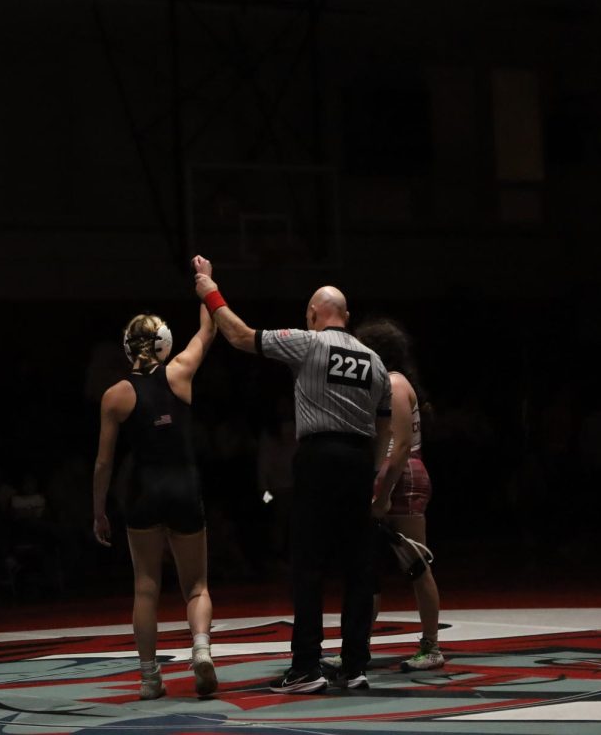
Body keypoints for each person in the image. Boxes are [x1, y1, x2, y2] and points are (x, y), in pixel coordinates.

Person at [191, 255, 391, 694]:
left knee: (308, 565)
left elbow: (240, 335)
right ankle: (355, 665)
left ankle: (306, 668)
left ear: (314, 315)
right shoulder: (376, 362)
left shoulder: (308, 342)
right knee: (359, 567)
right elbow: (385, 426)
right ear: (348, 317)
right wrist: (375, 474)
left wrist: (209, 289)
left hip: (319, 459)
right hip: (360, 462)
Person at [92, 299, 218, 701]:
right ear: (165, 344)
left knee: (145, 588)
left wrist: (98, 510)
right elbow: (209, 330)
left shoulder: (114, 396)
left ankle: (150, 679)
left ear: (126, 348)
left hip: (143, 495)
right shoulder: (180, 372)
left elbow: (103, 463)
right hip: (184, 489)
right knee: (196, 586)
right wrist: (205, 286)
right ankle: (200, 648)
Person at [354, 318, 445, 672]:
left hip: (402, 477)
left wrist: (383, 495)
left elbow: (402, 446)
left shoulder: (393, 383)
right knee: (366, 568)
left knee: (416, 565)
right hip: (387, 476)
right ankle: (356, 645)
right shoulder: (382, 386)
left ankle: (432, 646)